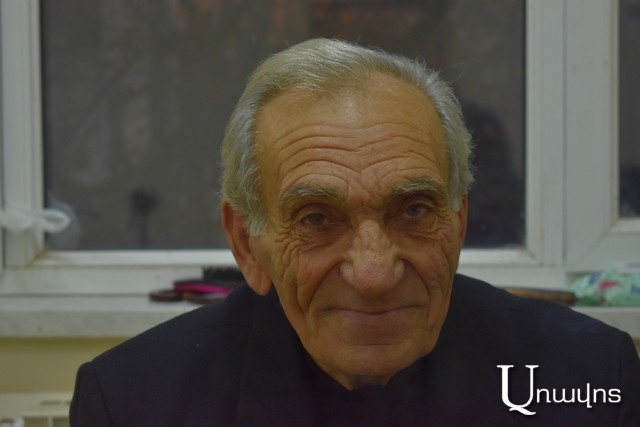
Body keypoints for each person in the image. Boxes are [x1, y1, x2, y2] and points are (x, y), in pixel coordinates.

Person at [70, 38, 640, 426]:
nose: (373, 275)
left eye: (413, 211)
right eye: (317, 219)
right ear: (247, 244)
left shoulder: (589, 377)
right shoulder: (132, 403)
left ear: (458, 221)